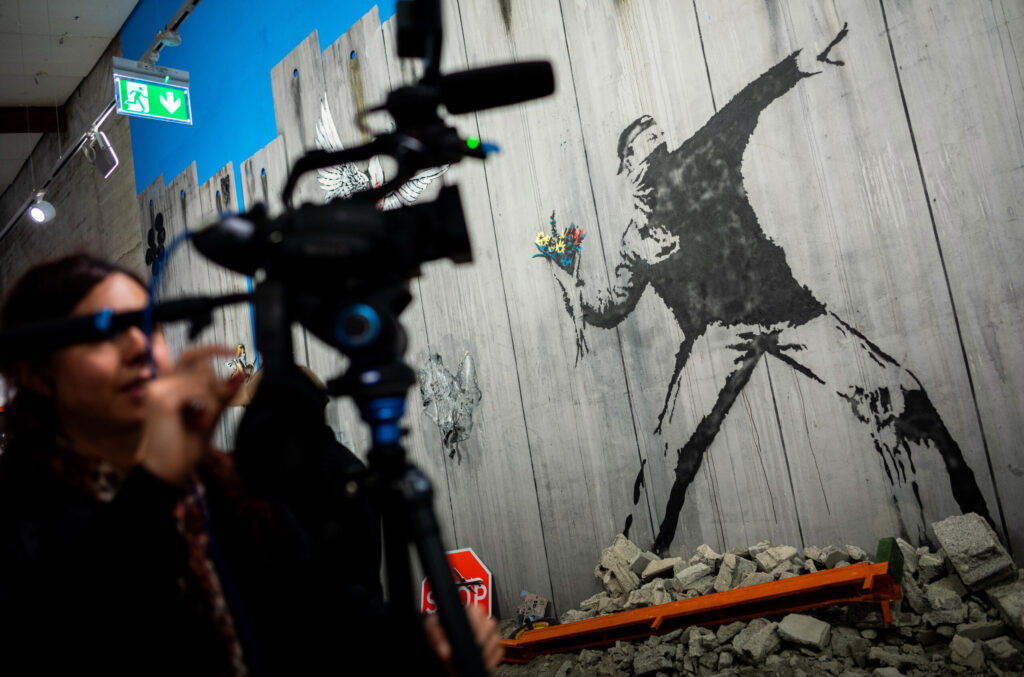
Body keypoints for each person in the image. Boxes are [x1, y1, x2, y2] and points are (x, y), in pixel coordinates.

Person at [545, 24, 994, 553]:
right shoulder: (635, 240)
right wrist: (570, 282)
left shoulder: (701, 160)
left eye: (659, 149)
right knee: (671, 452)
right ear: (628, 170)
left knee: (894, 392)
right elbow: (612, 307)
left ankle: (968, 538)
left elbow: (744, 106)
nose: (657, 163)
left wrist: (799, 64)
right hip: (717, 337)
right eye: (644, 157)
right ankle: (635, 563)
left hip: (787, 310)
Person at [0, 254, 502, 675]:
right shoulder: (22, 516)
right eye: (103, 332)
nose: (139, 348)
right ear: (36, 373)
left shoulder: (221, 487)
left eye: (150, 327)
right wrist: (154, 483)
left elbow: (317, 609)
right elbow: (76, 626)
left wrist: (420, 639)